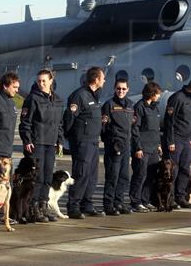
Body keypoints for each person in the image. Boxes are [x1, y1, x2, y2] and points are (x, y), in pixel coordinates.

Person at [19, 69, 64, 222]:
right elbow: (25, 122)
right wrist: (27, 140)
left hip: (50, 143)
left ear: (51, 81)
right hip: (37, 143)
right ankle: (33, 208)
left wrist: (60, 141)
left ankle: (43, 206)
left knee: (46, 177)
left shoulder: (57, 100)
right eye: (39, 81)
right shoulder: (32, 99)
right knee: (36, 178)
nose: (41, 83)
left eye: (44, 80)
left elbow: (59, 124)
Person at [64, 67, 106, 219]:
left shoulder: (94, 95)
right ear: (96, 79)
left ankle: (87, 203)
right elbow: (69, 118)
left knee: (92, 175)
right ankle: (73, 206)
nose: (104, 81)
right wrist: (70, 138)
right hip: (82, 142)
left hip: (93, 141)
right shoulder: (79, 96)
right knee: (81, 173)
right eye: (103, 78)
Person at [163, 77, 191, 208]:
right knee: (173, 170)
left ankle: (180, 196)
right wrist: (170, 141)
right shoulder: (177, 98)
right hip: (175, 139)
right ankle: (169, 198)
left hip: (186, 140)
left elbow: (188, 123)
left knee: (185, 169)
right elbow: (169, 121)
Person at [101, 78, 135, 215]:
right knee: (112, 176)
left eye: (123, 89)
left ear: (127, 90)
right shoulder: (109, 105)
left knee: (124, 176)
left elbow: (132, 125)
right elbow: (103, 127)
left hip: (126, 145)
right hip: (114, 145)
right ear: (114, 89)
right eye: (118, 88)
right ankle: (108, 204)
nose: (121, 91)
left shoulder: (130, 105)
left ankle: (119, 202)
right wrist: (110, 141)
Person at [131, 81, 162, 212]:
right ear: (151, 93)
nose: (159, 96)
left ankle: (146, 199)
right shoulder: (139, 107)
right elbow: (135, 129)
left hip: (154, 147)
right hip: (143, 147)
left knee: (151, 175)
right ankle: (135, 201)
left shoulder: (155, 107)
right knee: (140, 175)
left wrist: (159, 144)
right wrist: (137, 147)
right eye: (158, 93)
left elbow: (156, 128)